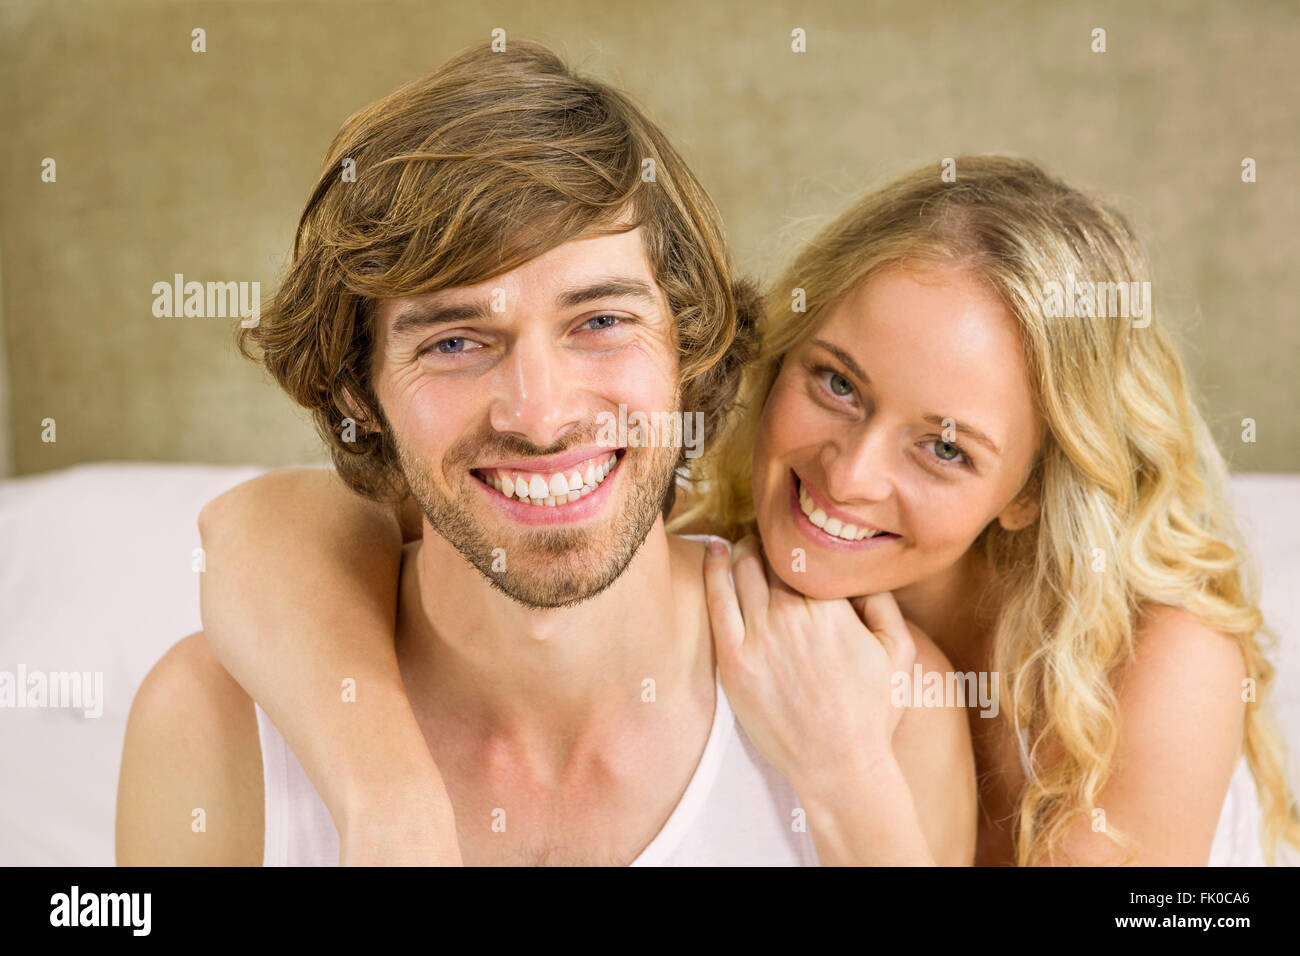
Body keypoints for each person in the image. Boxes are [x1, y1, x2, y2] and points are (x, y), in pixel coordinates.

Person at [185, 151, 1300, 866]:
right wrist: (392, 805)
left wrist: (840, 773)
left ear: (1030, 488)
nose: (850, 474)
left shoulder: (1162, 658)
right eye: (835, 383)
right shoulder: (709, 537)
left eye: (947, 446)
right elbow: (256, 527)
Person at [115, 40, 976, 867]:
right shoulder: (213, 727)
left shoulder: (879, 709)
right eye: (455, 341)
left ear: (690, 347)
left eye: (600, 322)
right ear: (358, 394)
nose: (539, 414)